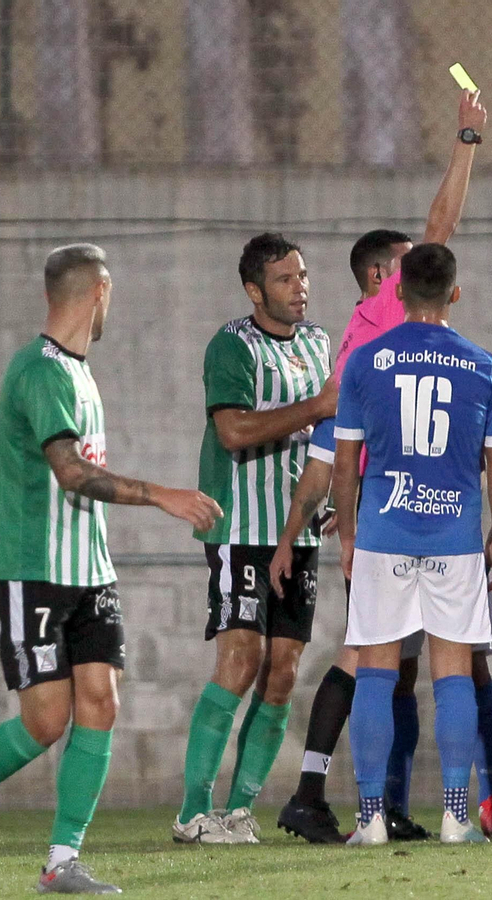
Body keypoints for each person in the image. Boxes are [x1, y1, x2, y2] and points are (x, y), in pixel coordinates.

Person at [0, 244, 220, 894]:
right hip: (31, 569)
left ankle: (62, 861)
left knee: (102, 702)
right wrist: (163, 496)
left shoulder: (79, 372)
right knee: (46, 721)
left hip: (90, 568)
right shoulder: (39, 371)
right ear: (99, 293)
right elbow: (70, 472)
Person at [277, 88, 492, 844]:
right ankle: (344, 797)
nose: (417, 268)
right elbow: (441, 229)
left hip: (378, 508)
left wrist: (319, 520)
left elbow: (330, 442)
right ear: (381, 277)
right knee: (403, 663)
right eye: (405, 265)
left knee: (386, 662)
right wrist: (465, 138)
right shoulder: (387, 317)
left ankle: (374, 805)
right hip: (417, 508)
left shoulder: (360, 341)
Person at [332, 243, 492, 845]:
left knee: (375, 674)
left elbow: (345, 460)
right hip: (455, 538)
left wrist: (348, 534)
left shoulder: (366, 362)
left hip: (383, 532)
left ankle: (369, 819)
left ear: (399, 291)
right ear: (455, 293)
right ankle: (457, 816)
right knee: (454, 676)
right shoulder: (484, 367)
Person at [173, 233, 336, 845]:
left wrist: (337, 499)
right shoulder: (232, 346)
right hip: (240, 527)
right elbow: (234, 431)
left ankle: (240, 810)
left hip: (299, 532)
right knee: (241, 660)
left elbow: (332, 434)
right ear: (254, 291)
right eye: (285, 279)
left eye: (303, 276)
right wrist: (316, 406)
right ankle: (193, 812)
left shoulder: (319, 343)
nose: (300, 288)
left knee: (283, 671)